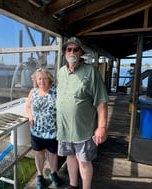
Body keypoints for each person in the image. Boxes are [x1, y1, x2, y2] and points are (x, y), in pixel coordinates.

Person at [56, 37, 109, 189]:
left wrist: (102, 127)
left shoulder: (91, 72)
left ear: (81, 53)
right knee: (70, 157)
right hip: (65, 128)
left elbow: (101, 101)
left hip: (84, 129)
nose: (72, 52)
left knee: (84, 162)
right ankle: (73, 185)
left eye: (76, 49)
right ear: (65, 52)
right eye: (69, 49)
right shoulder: (61, 72)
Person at [26, 67, 61, 189]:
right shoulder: (33, 92)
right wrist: (30, 117)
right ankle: (40, 175)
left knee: (52, 153)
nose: (41, 81)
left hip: (52, 131)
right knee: (39, 153)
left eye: (44, 78)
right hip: (37, 131)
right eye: (39, 79)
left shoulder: (56, 91)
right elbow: (28, 106)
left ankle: (53, 173)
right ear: (36, 80)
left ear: (49, 79)